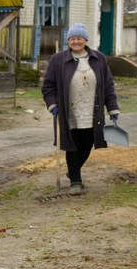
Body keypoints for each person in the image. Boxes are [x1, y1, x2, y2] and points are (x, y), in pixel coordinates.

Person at [41, 23, 120, 194]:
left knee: (88, 143)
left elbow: (108, 85)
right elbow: (48, 86)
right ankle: (75, 182)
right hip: (69, 112)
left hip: (93, 111)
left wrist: (112, 108)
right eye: (72, 38)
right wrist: (53, 104)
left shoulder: (99, 58)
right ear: (68, 40)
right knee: (72, 144)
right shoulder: (58, 60)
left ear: (86, 40)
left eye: (79, 38)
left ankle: (73, 170)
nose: (76, 41)